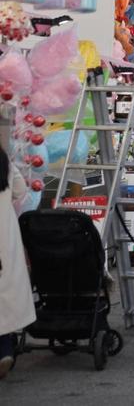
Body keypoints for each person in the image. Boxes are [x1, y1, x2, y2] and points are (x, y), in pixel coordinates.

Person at [0, 146, 34, 380]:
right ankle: (4, 350)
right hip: (5, 236)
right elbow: (20, 190)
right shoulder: (5, 162)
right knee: (5, 298)